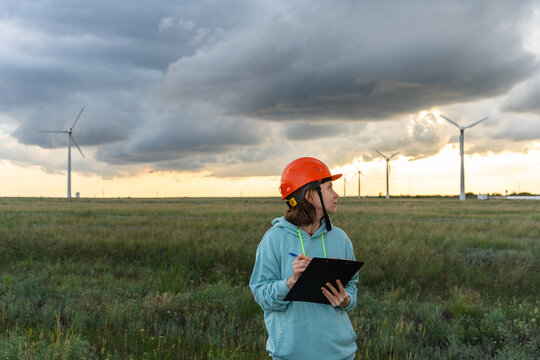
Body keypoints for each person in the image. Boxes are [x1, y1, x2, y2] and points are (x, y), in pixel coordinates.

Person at [249, 157, 359, 360]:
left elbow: (352, 286)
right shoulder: (274, 239)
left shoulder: (340, 238)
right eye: (329, 188)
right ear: (310, 195)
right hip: (292, 354)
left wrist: (346, 300)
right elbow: (262, 296)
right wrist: (290, 283)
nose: (336, 194)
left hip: (340, 354)